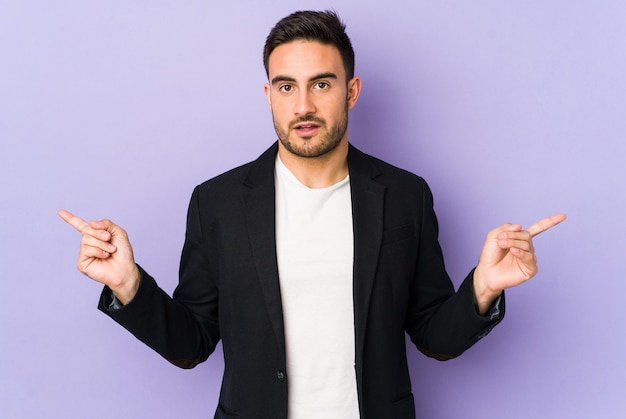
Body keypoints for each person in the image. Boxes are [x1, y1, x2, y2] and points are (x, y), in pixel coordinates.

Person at [59, 10, 565, 419]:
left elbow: (435, 336)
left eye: (322, 84)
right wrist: (129, 286)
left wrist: (484, 288)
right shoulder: (217, 203)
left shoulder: (406, 196)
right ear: (268, 95)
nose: (303, 104)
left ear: (352, 90)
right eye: (286, 86)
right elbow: (192, 343)